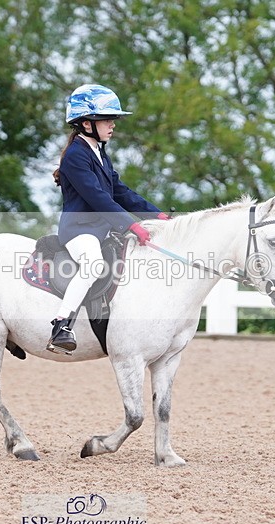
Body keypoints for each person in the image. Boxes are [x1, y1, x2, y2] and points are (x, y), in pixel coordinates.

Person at [46, 84, 170, 354]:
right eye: (106, 120)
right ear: (86, 123)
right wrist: (131, 224)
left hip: (102, 228)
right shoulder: (75, 156)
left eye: (112, 120)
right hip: (80, 230)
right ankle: (61, 324)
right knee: (93, 264)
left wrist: (156, 215)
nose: (112, 125)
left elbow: (120, 192)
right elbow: (98, 198)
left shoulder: (100, 153)